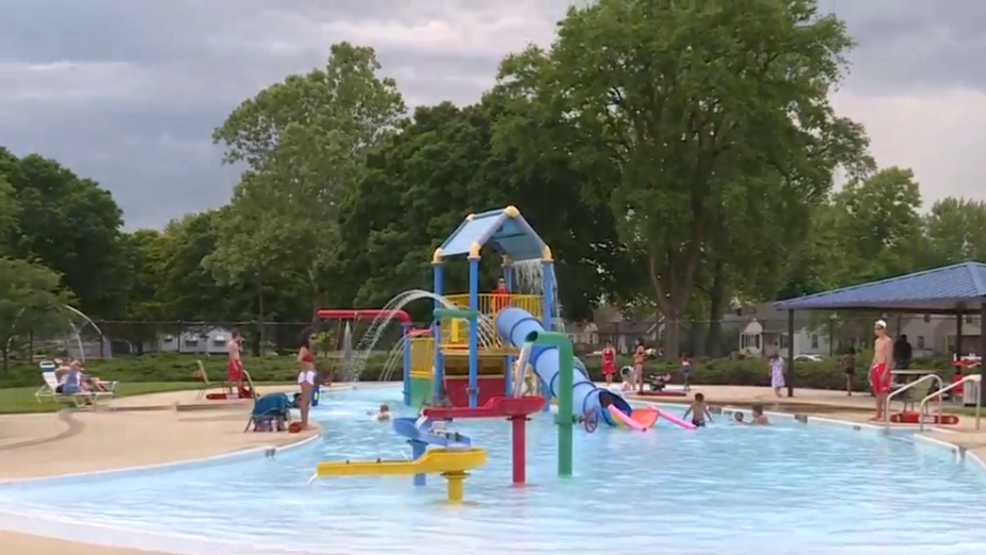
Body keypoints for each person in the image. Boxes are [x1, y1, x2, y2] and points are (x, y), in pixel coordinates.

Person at [870, 319, 894, 421]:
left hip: (883, 366)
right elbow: (875, 356)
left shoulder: (888, 341)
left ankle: (885, 415)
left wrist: (885, 371)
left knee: (884, 392)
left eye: (878, 328)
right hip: (876, 366)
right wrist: (870, 368)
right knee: (877, 391)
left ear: (884, 329)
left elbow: (889, 358)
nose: (876, 330)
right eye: (875, 328)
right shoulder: (876, 341)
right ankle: (878, 413)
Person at [296, 328, 316, 430]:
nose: (313, 340)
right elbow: (299, 360)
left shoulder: (308, 349)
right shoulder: (303, 349)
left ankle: (305, 422)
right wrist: (304, 370)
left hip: (309, 374)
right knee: (305, 400)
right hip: (306, 375)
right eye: (312, 338)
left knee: (307, 400)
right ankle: (304, 423)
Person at [227, 329, 244, 396]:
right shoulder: (231, 344)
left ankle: (240, 391)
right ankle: (230, 392)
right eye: (239, 336)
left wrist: (240, 343)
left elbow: (241, 351)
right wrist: (234, 365)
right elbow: (231, 355)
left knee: (239, 377)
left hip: (238, 361)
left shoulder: (236, 344)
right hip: (234, 361)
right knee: (232, 378)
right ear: (236, 336)